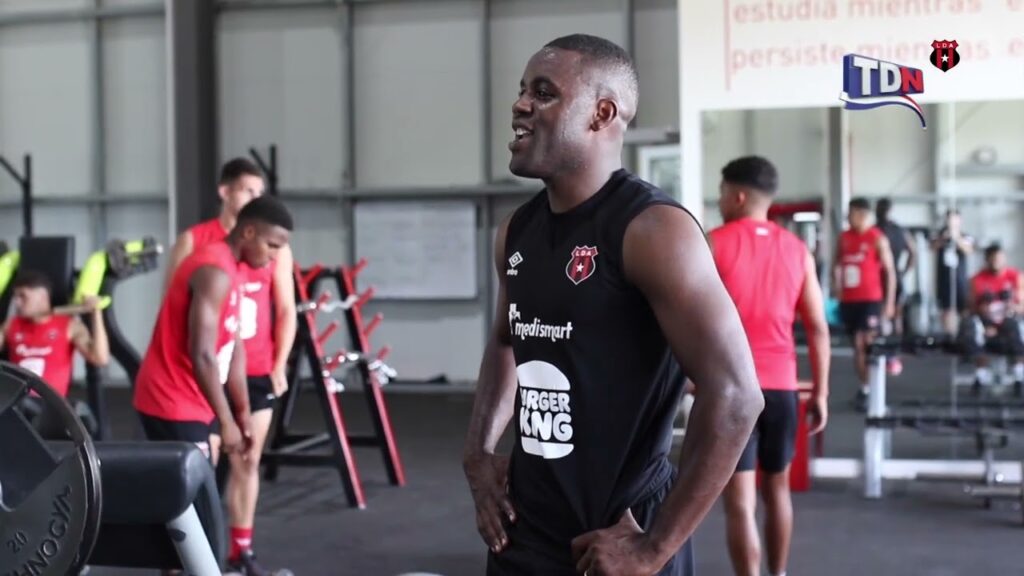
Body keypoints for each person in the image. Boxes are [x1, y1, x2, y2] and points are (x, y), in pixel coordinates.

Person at [462, 34, 764, 576]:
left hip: (622, 533)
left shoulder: (653, 230)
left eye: (544, 92)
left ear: (602, 114)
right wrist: (478, 454)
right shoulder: (516, 231)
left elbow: (736, 394)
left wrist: (654, 547)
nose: (520, 104)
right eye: (523, 90)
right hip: (523, 529)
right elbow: (506, 341)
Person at [163, 158, 297, 576]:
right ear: (226, 192)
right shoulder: (197, 243)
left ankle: (241, 551)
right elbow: (174, 309)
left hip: (253, 369)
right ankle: (193, 557)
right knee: (203, 471)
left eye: (259, 192)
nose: (254, 197)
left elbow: (286, 309)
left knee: (248, 459)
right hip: (204, 373)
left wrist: (279, 364)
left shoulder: (274, 244)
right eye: (247, 190)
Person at [710, 156, 831, 576]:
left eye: (722, 193)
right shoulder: (798, 251)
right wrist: (820, 392)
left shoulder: (713, 244)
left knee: (740, 502)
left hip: (733, 391)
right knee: (778, 489)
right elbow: (817, 327)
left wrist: (690, 378)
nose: (720, 201)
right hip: (782, 390)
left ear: (739, 196)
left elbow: (691, 320)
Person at [1, 269, 110, 436]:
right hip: (15, 402)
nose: (17, 302)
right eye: (15, 297)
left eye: (23, 296)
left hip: (49, 407)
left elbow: (100, 358)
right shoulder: (12, 324)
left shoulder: (69, 326)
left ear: (43, 297)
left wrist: (96, 313)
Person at [833, 198, 896, 410]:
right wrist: (837, 287)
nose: (849, 218)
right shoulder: (843, 238)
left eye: (852, 214)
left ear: (863, 214)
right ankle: (866, 387)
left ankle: (871, 389)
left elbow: (890, 272)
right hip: (849, 301)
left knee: (864, 343)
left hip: (871, 300)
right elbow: (836, 264)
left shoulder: (877, 238)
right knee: (857, 347)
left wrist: (889, 303)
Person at [963, 243, 1024, 390]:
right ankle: (980, 374)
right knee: (972, 328)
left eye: (999, 259)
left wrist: (1012, 306)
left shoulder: (1015, 276)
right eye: (993, 259)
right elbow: (971, 308)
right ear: (987, 260)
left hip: (1009, 321)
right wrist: (986, 319)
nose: (996, 262)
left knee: (1013, 326)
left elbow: (1022, 305)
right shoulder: (977, 279)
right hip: (986, 322)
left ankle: (1019, 375)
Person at [874, 198, 916, 375]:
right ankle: (889, 355)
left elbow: (913, 253)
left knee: (890, 316)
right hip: (888, 277)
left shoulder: (877, 231)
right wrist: (903, 271)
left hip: (886, 278)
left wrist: (903, 271)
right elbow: (913, 252)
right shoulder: (896, 230)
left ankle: (891, 356)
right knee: (889, 317)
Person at [932, 208, 975, 335]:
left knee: (963, 309)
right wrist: (944, 238)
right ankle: (948, 335)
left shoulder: (965, 236)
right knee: (946, 310)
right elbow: (932, 246)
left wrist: (956, 237)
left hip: (960, 280)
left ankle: (963, 334)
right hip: (944, 280)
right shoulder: (940, 235)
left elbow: (969, 250)